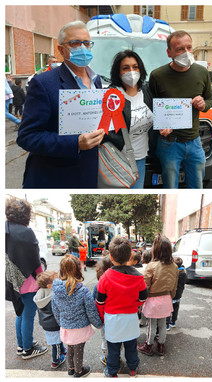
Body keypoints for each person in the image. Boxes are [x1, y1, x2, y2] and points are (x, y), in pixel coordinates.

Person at [16, 20, 105, 188]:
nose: (83, 48)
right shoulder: (43, 83)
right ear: (61, 49)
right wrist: (75, 143)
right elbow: (27, 137)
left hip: (88, 174)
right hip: (55, 177)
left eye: (86, 43)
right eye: (75, 43)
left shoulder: (96, 80)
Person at [149, 30, 212, 189]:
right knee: (170, 188)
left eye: (189, 48)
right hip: (169, 144)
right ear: (169, 52)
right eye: (180, 49)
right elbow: (151, 107)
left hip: (195, 142)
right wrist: (160, 125)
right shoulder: (157, 76)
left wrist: (204, 105)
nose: (186, 52)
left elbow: (210, 99)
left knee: (197, 187)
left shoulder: (202, 72)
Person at [96, 236, 148, 378]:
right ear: (130, 256)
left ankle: (112, 371)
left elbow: (100, 302)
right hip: (131, 318)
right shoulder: (138, 277)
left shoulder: (105, 277)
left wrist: (101, 318)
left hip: (112, 319)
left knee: (113, 348)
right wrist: (135, 304)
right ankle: (133, 368)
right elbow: (143, 297)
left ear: (111, 257)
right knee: (131, 346)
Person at [103, 50, 154, 189]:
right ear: (118, 72)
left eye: (135, 67)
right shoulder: (111, 95)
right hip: (117, 161)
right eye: (126, 68)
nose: (131, 71)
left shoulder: (148, 91)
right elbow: (104, 128)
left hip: (141, 159)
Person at [5, 199, 48, 359]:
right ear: (26, 215)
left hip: (13, 281)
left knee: (20, 314)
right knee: (28, 315)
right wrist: (42, 279)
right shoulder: (25, 232)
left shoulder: (6, 229)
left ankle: (21, 345)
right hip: (28, 282)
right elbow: (35, 260)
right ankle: (28, 349)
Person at [51, 255, 102, 378]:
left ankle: (71, 369)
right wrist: (98, 324)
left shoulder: (56, 291)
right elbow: (91, 310)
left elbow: (55, 310)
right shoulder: (82, 290)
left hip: (66, 327)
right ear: (78, 270)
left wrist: (61, 323)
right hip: (80, 327)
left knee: (70, 348)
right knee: (79, 350)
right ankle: (79, 371)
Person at [138, 234, 178, 356]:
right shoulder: (174, 266)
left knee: (151, 325)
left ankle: (148, 345)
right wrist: (170, 298)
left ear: (156, 249)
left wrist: (140, 302)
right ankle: (161, 345)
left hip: (153, 301)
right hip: (166, 299)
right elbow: (174, 286)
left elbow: (145, 286)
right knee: (162, 324)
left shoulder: (152, 265)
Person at [33, 271, 67, 369]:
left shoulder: (40, 294)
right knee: (55, 343)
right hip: (53, 323)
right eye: (56, 280)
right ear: (49, 286)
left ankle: (62, 349)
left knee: (56, 338)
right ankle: (55, 361)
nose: (59, 281)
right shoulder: (53, 295)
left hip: (46, 323)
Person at [92, 255, 114, 367]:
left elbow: (93, 303)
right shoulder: (118, 282)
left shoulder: (98, 285)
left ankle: (107, 358)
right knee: (116, 341)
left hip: (104, 320)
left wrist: (97, 322)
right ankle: (116, 357)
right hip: (117, 318)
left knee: (105, 340)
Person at [166, 256, 187, 329]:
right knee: (175, 308)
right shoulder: (183, 273)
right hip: (179, 294)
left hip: (171, 294)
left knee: (168, 309)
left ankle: (167, 324)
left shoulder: (173, 273)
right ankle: (173, 321)